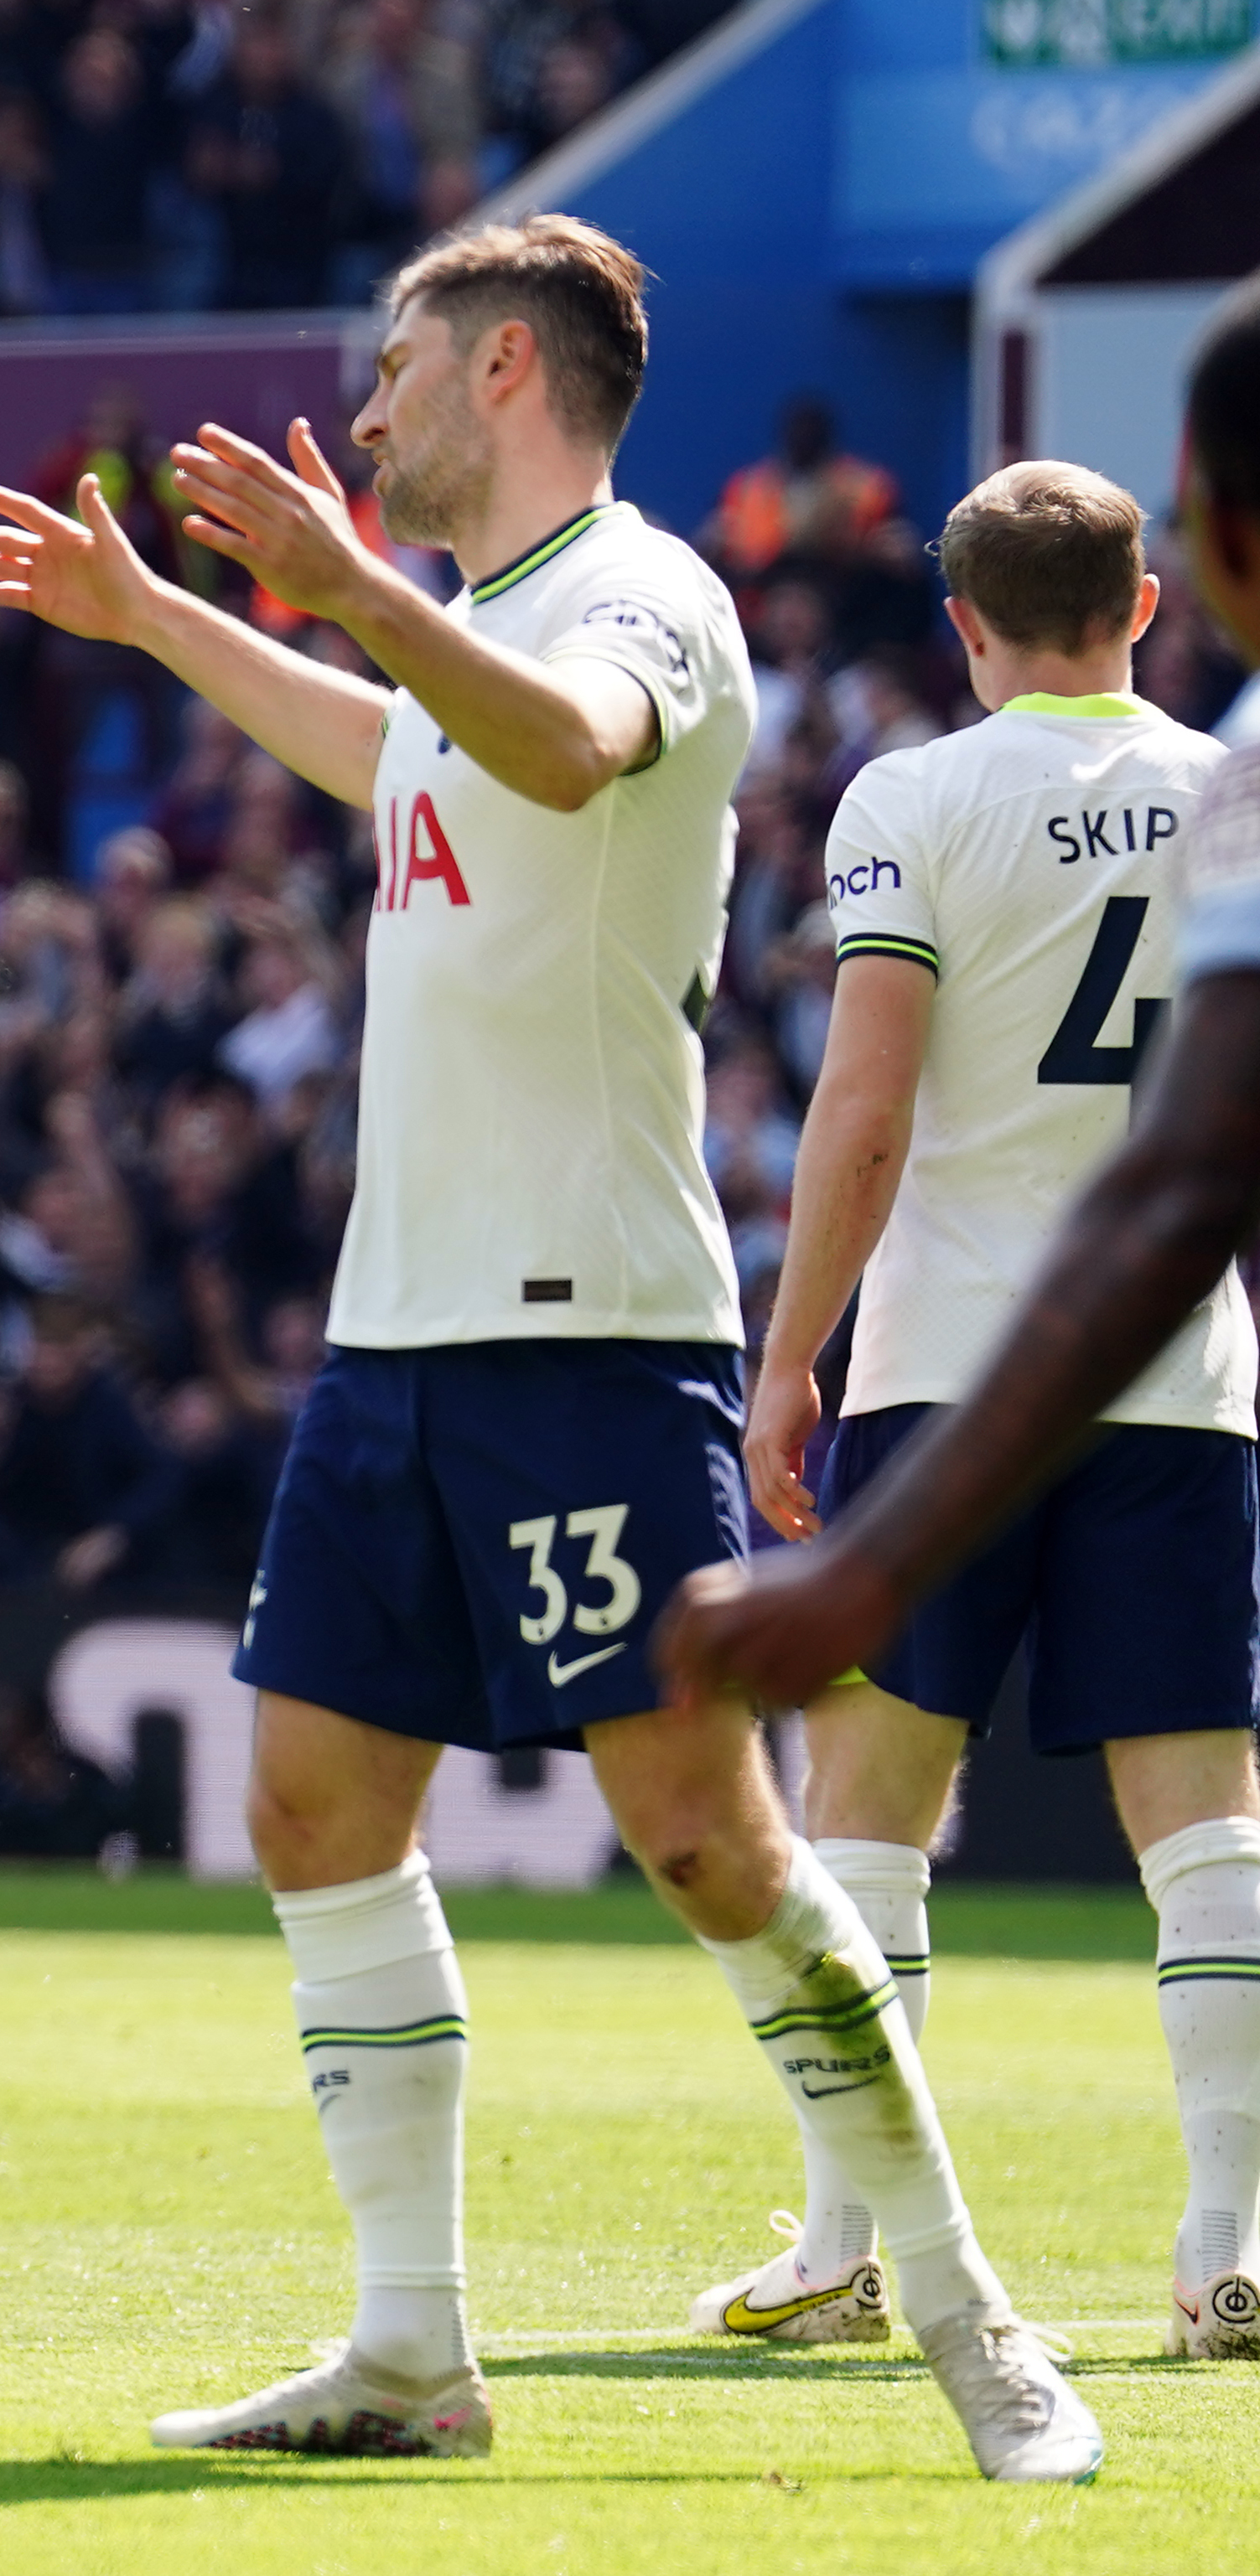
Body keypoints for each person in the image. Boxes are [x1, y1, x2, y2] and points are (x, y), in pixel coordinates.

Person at [0, 213, 1100, 2478]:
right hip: (395, 1335)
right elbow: (396, 754)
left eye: (383, 369)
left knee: (701, 1840)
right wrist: (162, 615)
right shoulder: (467, 623)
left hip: (585, 1331)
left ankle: (967, 2314)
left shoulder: (637, 593)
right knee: (304, 1801)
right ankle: (405, 2353)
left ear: (498, 367)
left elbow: (564, 758)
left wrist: (338, 582)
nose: (355, 415)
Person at [664, 278, 1260, 2368]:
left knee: (865, 1805)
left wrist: (785, 1353)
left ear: (964, 621)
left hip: (950, 1367)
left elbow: (865, 1101)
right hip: (1182, 1367)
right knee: (1201, 1813)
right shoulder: (1229, 779)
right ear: (1144, 602)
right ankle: (1225, 2250)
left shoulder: (909, 800)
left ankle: (849, 2239)